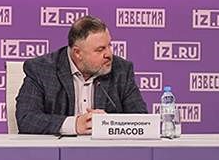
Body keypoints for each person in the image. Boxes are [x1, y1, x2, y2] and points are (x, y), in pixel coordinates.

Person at [15, 15, 148, 135]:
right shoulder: (41, 69)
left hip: (106, 152)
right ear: (77, 53)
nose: (109, 54)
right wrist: (74, 124)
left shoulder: (121, 70)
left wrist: (109, 124)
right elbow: (26, 119)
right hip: (58, 152)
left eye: (109, 46)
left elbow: (142, 121)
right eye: (100, 49)